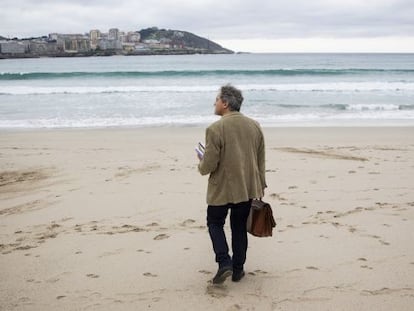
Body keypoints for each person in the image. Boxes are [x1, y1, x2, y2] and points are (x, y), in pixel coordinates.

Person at [197, 84, 266, 284]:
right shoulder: (254, 125)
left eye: (217, 99)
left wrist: (200, 163)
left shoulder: (215, 129)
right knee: (238, 227)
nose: (214, 103)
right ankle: (238, 269)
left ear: (225, 103)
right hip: (246, 187)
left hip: (222, 187)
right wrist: (260, 183)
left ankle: (224, 262)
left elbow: (209, 164)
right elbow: (260, 158)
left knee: (214, 222)